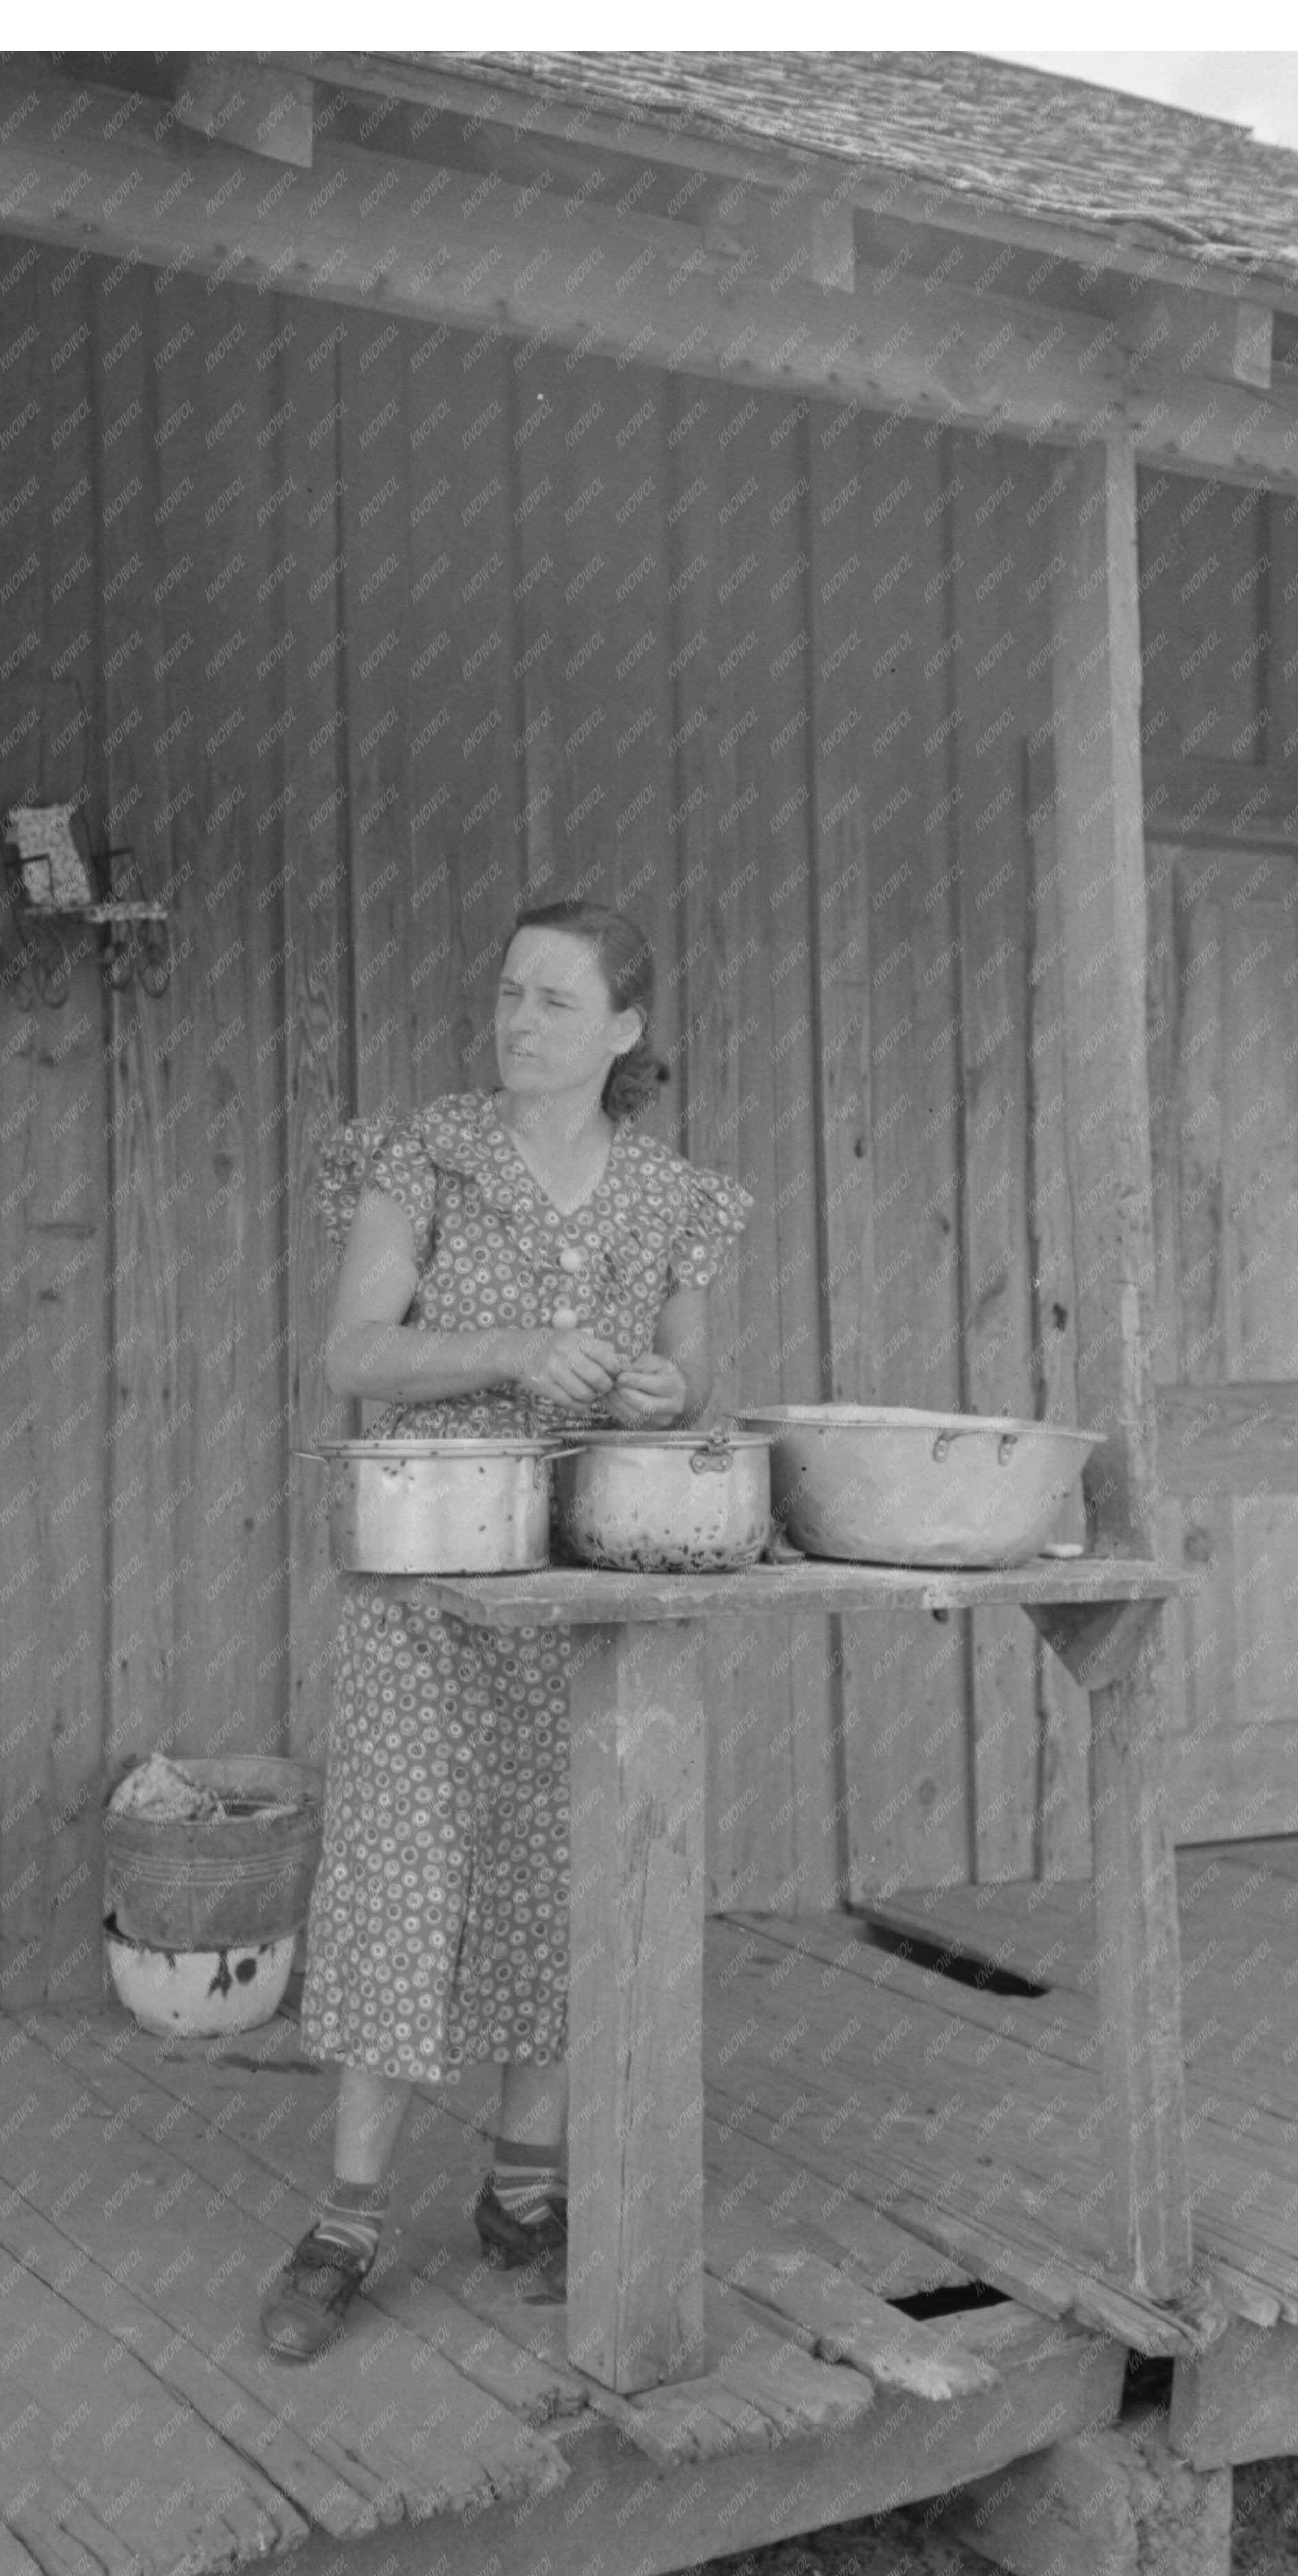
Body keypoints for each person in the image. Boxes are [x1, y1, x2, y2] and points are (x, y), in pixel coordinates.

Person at [259, 899, 753, 2361]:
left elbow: (694, 1384)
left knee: (557, 1872)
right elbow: (352, 1352)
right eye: (508, 993)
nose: (517, 1020)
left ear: (623, 1029)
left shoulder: (670, 1199)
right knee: (400, 1872)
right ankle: (347, 2219)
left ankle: (522, 2192)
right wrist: (514, 1349)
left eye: (554, 1000)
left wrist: (661, 1392)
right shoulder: (426, 1155)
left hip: (574, 1580)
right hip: (422, 1576)